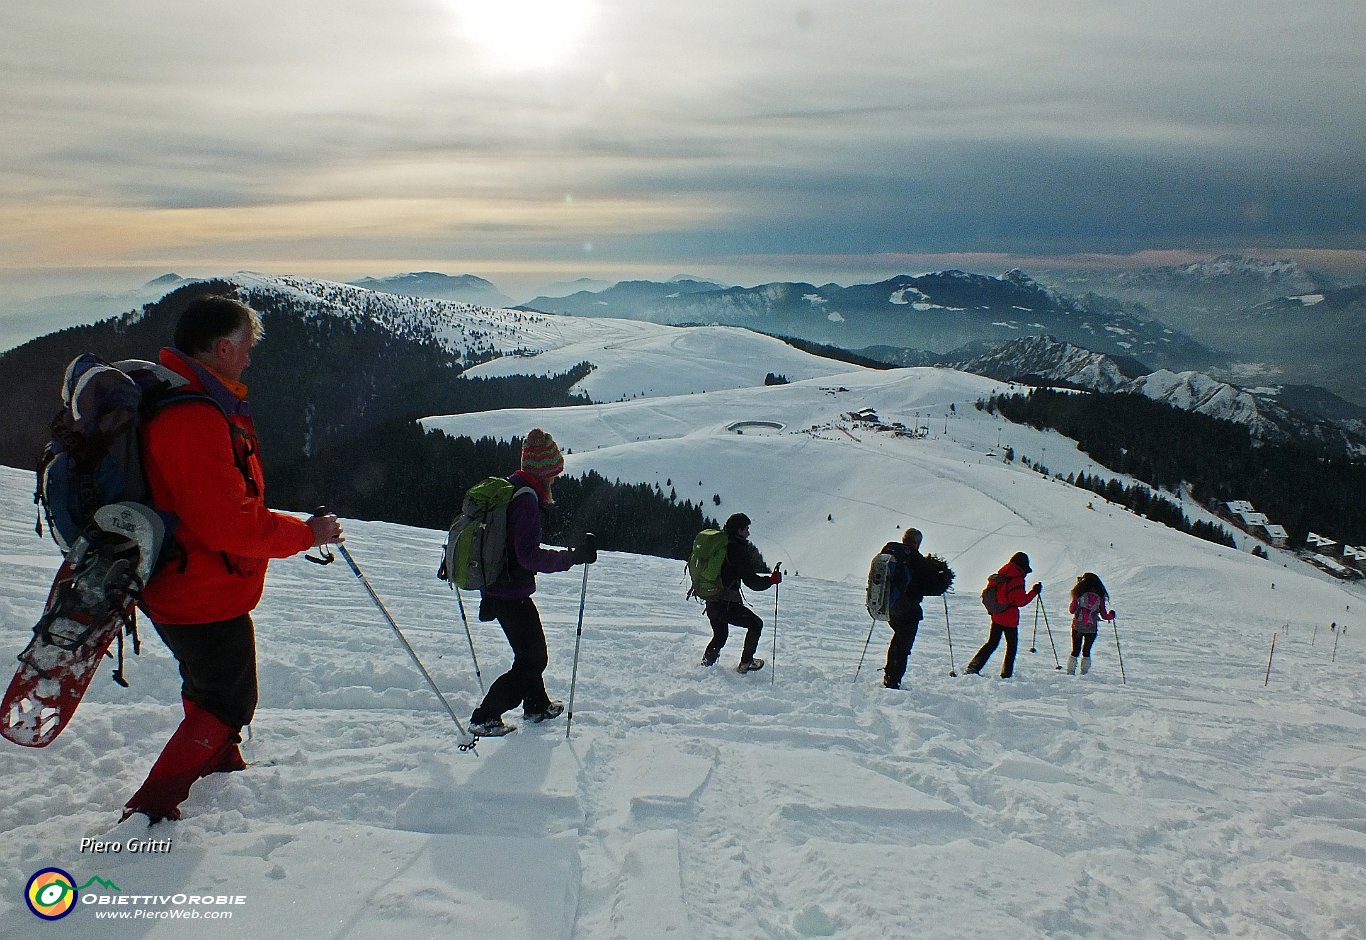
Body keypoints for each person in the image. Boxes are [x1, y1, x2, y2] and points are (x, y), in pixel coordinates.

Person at [123, 295, 343, 824]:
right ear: (222, 348)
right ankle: (152, 806)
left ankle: (220, 764)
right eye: (245, 348)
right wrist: (306, 534)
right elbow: (228, 525)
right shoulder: (194, 418)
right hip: (199, 586)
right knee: (228, 700)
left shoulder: (187, 399)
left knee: (209, 685)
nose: (249, 359)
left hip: (183, 579)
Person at [468, 428, 596, 737]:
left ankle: (537, 706)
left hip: (501, 588)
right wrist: (572, 557)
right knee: (533, 658)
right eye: (554, 472)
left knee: (529, 653)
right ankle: (485, 716)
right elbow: (528, 556)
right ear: (545, 471)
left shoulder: (513, 488)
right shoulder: (526, 499)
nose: (556, 478)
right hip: (509, 592)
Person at [700, 512, 781, 674]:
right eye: (746, 529)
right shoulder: (737, 550)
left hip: (712, 600)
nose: (748, 533)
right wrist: (771, 580)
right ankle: (746, 663)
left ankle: (704, 667)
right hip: (727, 604)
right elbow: (752, 582)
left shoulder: (721, 546)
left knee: (720, 635)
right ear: (738, 531)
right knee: (756, 624)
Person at [964, 551, 1041, 679]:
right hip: (1010, 618)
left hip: (997, 614)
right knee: (1011, 646)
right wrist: (1034, 592)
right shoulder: (1017, 579)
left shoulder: (1002, 574)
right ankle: (1006, 674)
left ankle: (974, 666)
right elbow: (1021, 601)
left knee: (992, 643)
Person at [878, 528, 938, 689]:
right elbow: (930, 587)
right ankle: (893, 678)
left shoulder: (891, 553)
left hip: (890, 606)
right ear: (917, 542)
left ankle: (890, 674)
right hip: (908, 609)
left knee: (898, 640)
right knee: (903, 644)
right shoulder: (916, 559)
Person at [1067, 572, 1115, 675]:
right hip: (1091, 628)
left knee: (1075, 650)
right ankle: (1084, 673)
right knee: (1087, 651)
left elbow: (1071, 610)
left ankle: (1070, 672)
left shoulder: (1078, 593)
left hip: (1077, 626)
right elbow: (1104, 616)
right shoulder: (1099, 596)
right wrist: (1111, 615)